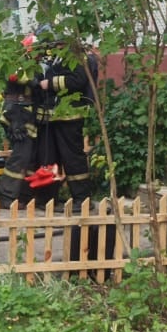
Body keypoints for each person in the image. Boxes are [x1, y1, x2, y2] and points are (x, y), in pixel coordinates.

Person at [34, 32, 100, 210]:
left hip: (70, 116)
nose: (55, 48)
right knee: (50, 158)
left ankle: (82, 199)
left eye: (59, 44)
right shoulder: (56, 59)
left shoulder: (76, 58)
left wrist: (51, 83)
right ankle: (48, 199)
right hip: (54, 116)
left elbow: (77, 80)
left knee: (73, 158)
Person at [0, 38, 40, 208]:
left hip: (24, 113)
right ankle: (7, 197)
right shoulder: (18, 63)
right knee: (20, 157)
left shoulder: (30, 65)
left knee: (29, 158)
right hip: (16, 113)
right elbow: (17, 77)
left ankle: (24, 196)